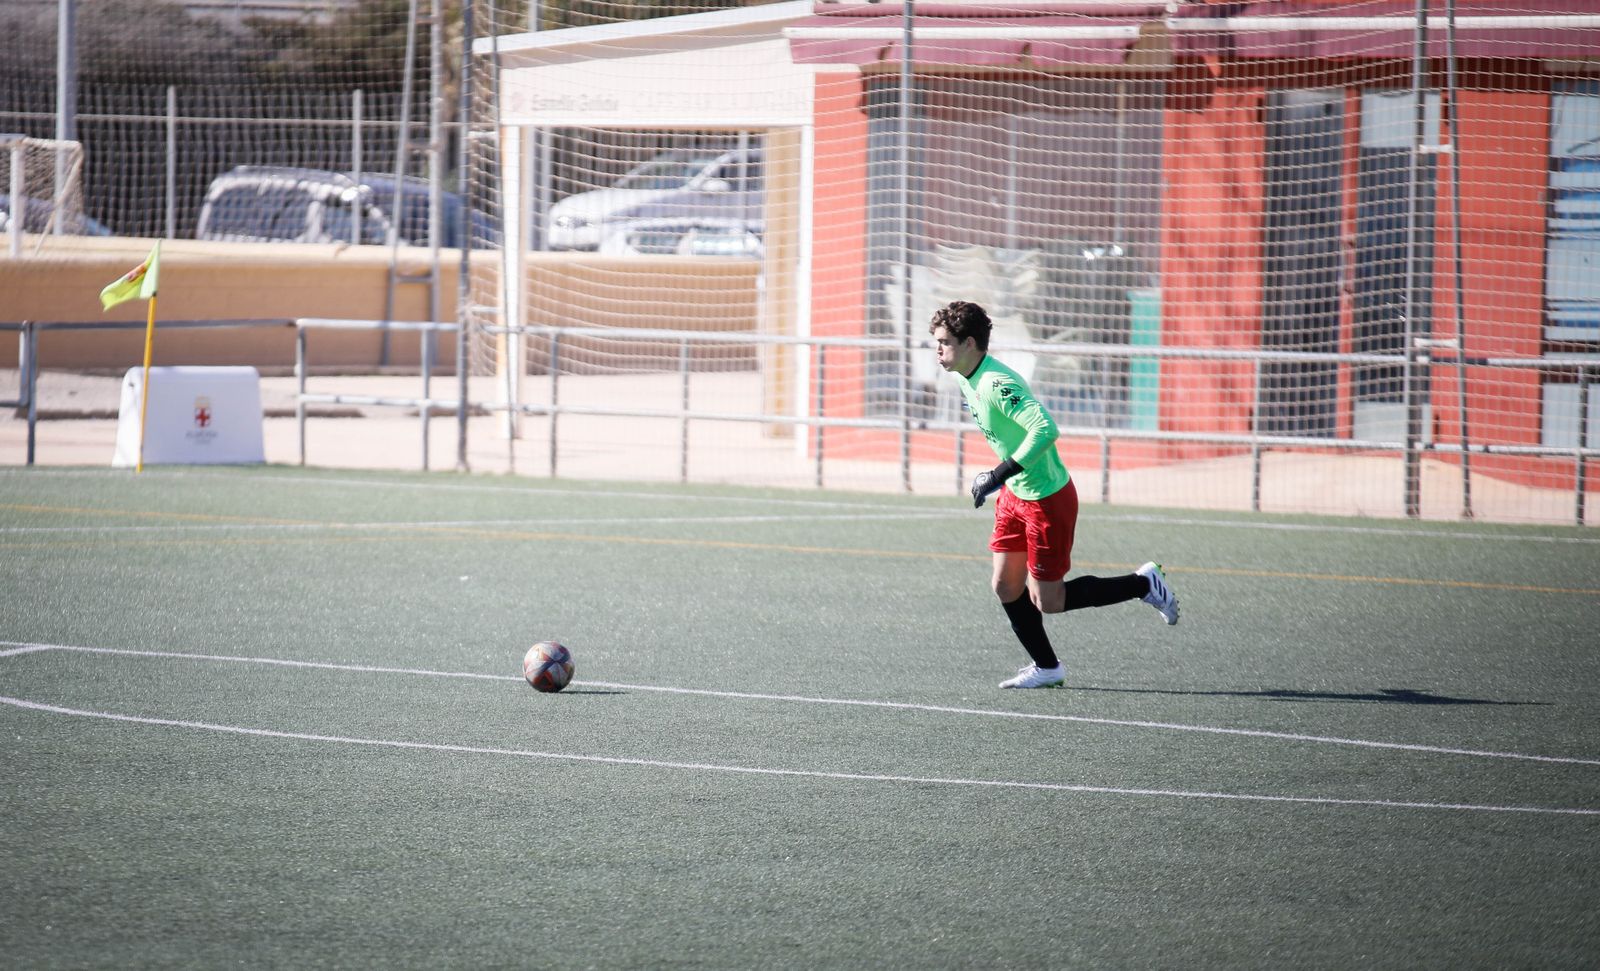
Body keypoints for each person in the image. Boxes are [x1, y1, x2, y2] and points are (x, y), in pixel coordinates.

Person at [929, 300, 1179, 689]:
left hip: (1047, 498)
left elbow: (1045, 429)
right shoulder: (964, 376)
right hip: (1016, 494)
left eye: (943, 343)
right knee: (1005, 586)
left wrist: (997, 473)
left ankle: (1143, 584)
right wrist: (1003, 480)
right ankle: (1047, 667)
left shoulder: (997, 383)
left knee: (1049, 600)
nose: (937, 351)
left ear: (969, 343)